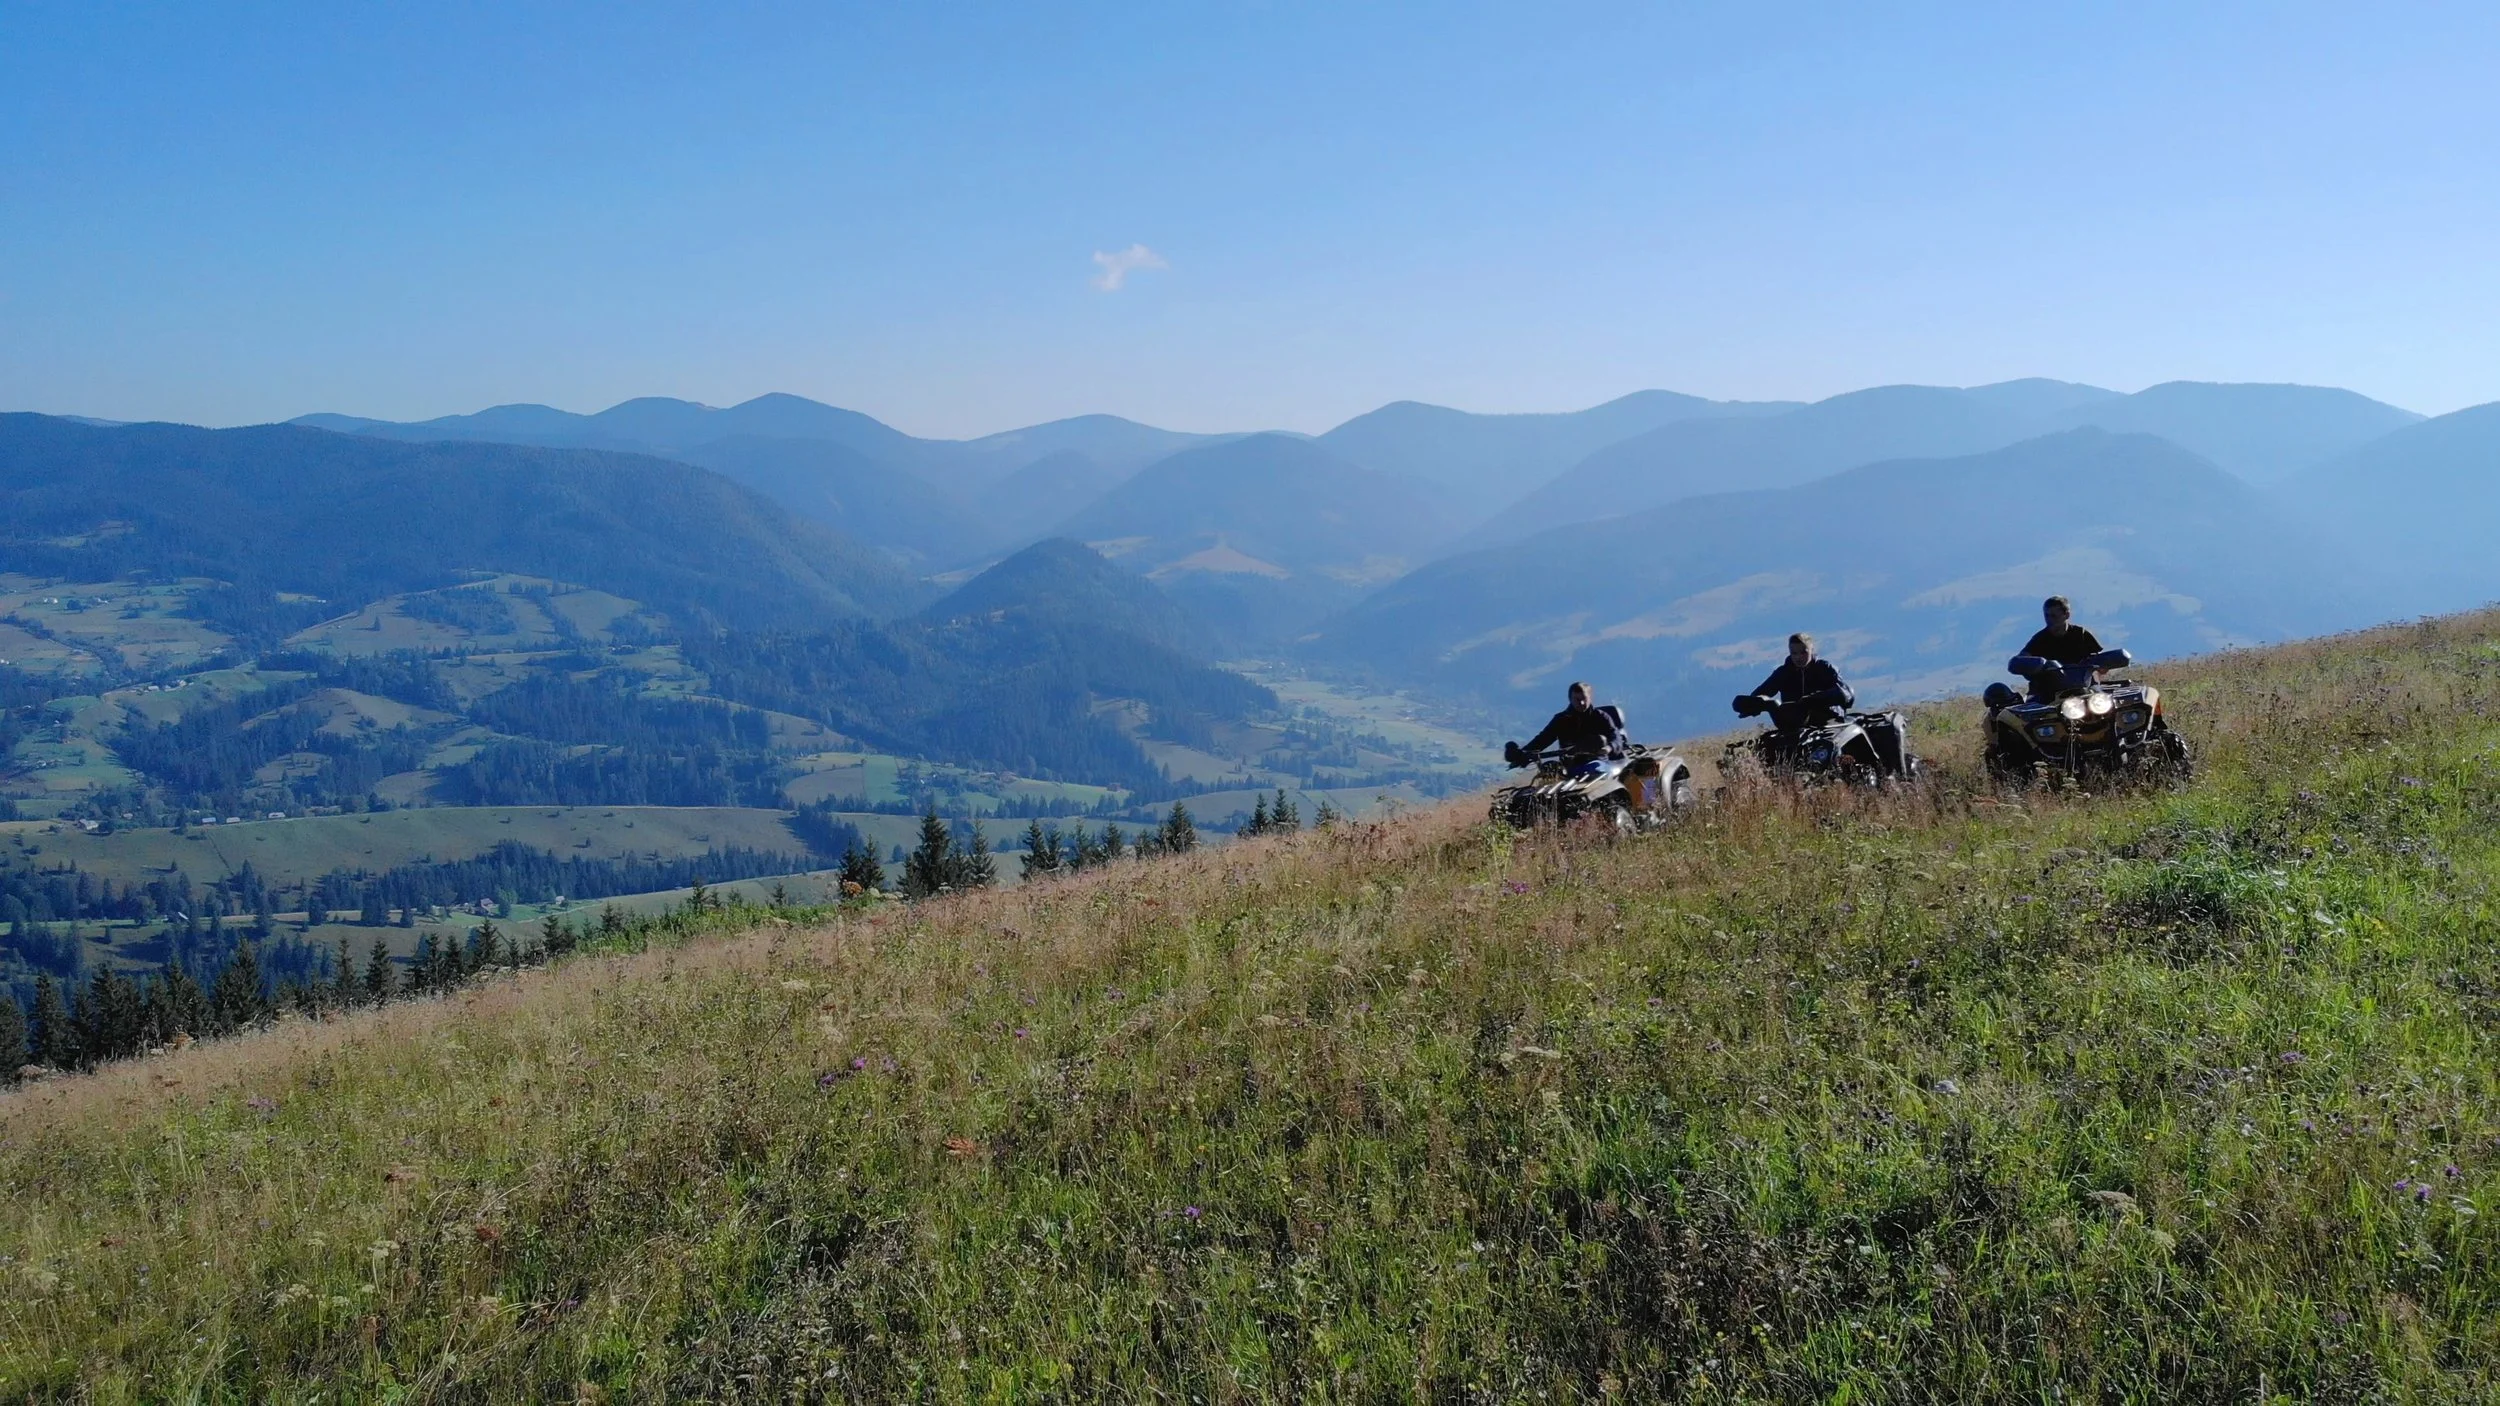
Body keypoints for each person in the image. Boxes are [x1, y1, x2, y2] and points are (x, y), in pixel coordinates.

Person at [1733, 633, 1855, 733]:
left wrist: (1816, 699)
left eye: (1803, 652)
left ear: (1811, 651)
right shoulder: (1783, 672)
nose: (1798, 657)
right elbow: (1762, 691)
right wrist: (1752, 705)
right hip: (1793, 723)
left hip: (1828, 721)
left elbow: (1846, 693)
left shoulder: (1826, 668)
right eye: (1794, 653)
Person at [1507, 680, 1623, 766]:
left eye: (1584, 699)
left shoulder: (1601, 717)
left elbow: (1615, 736)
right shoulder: (1561, 720)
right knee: (1549, 773)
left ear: (1590, 698)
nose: (1582, 703)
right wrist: (1523, 754)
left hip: (1599, 764)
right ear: (1570, 699)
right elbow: (1543, 739)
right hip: (1571, 766)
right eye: (1577, 699)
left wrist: (1609, 747)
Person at [2020, 596, 2105, 665]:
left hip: (2081, 683)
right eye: (2046, 615)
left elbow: (2101, 660)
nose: (2049, 619)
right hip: (2049, 684)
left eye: (2054, 616)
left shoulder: (2081, 635)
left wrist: (2100, 665)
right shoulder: (2039, 640)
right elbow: (2022, 659)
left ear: (2067, 615)